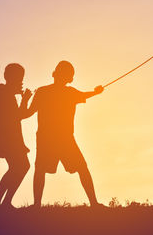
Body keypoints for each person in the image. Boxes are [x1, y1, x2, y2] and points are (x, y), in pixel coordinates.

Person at [24, 60, 104, 208]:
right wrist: (96, 92)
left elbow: (27, 113)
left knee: (43, 170)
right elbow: (87, 94)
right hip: (59, 139)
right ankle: (93, 203)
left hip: (52, 139)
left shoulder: (46, 92)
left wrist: (95, 92)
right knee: (80, 168)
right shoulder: (68, 93)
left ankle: (36, 205)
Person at [0, 63, 33, 209]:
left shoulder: (9, 94)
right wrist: (25, 100)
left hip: (12, 138)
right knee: (21, 166)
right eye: (18, 78)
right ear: (7, 77)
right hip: (7, 138)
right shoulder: (1, 90)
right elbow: (18, 115)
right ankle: (0, 202)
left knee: (18, 167)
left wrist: (25, 100)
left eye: (21, 78)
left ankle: (1, 202)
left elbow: (20, 115)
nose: (21, 82)